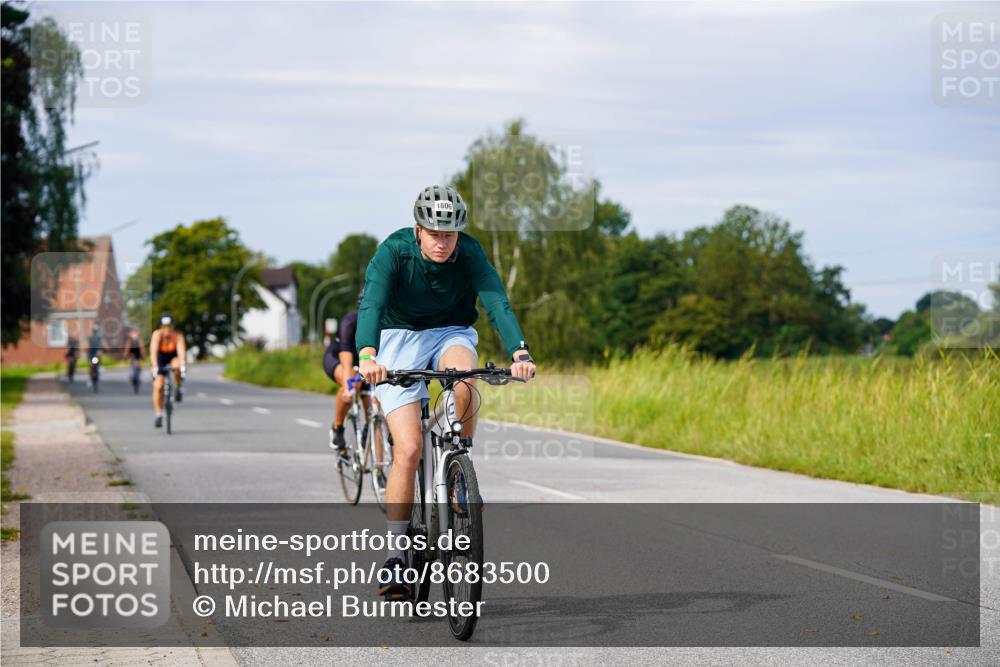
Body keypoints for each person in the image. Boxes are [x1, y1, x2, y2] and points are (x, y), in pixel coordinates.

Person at [356, 185, 536, 600]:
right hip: (397, 337)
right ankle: (396, 555)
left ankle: (460, 464)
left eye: (449, 235)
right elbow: (372, 305)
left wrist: (520, 352)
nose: (442, 242)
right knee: (408, 449)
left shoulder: (469, 253)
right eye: (434, 234)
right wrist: (367, 355)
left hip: (451, 332)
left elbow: (497, 303)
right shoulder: (393, 252)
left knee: (466, 381)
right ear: (418, 230)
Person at [323, 301, 359, 457]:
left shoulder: (388, 321)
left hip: (365, 363)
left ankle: (378, 465)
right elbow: (347, 362)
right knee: (352, 385)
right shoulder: (349, 322)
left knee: (373, 404)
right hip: (338, 358)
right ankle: (338, 427)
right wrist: (348, 387)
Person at [149, 315, 187, 428]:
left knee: (177, 366)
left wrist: (182, 365)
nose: (167, 329)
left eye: (169, 326)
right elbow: (153, 352)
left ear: (172, 327)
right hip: (161, 359)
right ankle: (158, 415)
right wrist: (154, 366)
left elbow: (181, 352)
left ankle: (178, 387)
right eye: (164, 327)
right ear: (161, 327)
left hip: (173, 357)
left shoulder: (177, 336)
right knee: (158, 386)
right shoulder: (157, 335)